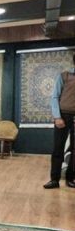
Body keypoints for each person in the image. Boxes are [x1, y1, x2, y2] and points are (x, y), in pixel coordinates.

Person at [44, 55, 75, 189]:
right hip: (63, 116)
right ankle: (54, 180)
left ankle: (70, 178)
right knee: (58, 148)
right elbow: (55, 97)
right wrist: (57, 117)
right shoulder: (64, 76)